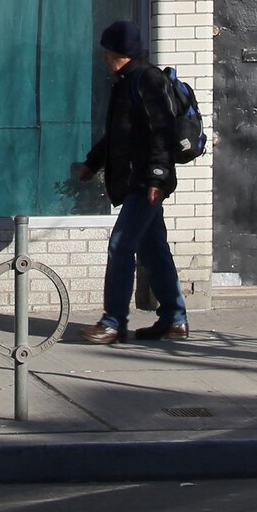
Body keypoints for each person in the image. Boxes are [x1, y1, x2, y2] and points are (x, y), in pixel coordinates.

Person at [74, 19, 186, 345]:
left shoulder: (147, 80)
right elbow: (118, 135)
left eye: (107, 52)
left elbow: (163, 132)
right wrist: (93, 163)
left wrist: (157, 177)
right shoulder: (125, 82)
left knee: (121, 245)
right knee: (153, 249)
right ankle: (173, 320)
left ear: (119, 52)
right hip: (137, 179)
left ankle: (113, 322)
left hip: (145, 183)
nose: (103, 58)